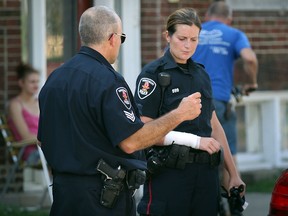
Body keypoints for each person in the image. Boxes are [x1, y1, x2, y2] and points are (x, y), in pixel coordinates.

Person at [37, 6, 202, 216]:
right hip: (102, 197)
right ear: (112, 38)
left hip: (64, 193)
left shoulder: (55, 79)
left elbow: (42, 140)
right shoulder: (108, 80)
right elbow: (131, 141)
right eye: (122, 37)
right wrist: (179, 114)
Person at [134, 8, 245, 216]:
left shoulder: (201, 74)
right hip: (169, 176)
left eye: (194, 39)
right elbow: (144, 132)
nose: (188, 45)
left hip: (206, 178)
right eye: (182, 38)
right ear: (168, 36)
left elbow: (214, 125)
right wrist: (194, 141)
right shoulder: (153, 75)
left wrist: (233, 174)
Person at [192, 1, 258, 189]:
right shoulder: (234, 34)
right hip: (219, 101)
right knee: (229, 153)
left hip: (189, 104)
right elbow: (250, 59)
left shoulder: (190, 34)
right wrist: (252, 83)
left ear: (206, 16)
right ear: (229, 20)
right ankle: (234, 201)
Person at [7, 62, 40, 166]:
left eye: (37, 81)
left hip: (44, 149)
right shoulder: (15, 105)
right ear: (21, 83)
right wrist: (49, 139)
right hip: (30, 153)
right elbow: (25, 136)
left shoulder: (40, 103)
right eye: (32, 82)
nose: (36, 85)